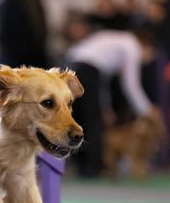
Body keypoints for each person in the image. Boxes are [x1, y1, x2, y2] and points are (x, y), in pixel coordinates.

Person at [66, 20, 156, 177]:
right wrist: (147, 109)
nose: (145, 60)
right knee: (93, 121)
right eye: (149, 54)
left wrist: (105, 107)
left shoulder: (116, 39)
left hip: (71, 65)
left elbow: (102, 80)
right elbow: (131, 85)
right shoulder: (132, 46)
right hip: (88, 70)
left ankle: (80, 166)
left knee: (76, 117)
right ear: (146, 45)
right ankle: (93, 169)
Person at [0, 0, 47, 68]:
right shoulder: (10, 2)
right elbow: (4, 33)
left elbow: (41, 26)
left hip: (36, 56)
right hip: (17, 58)